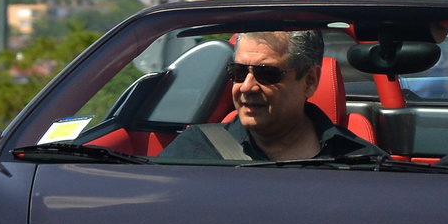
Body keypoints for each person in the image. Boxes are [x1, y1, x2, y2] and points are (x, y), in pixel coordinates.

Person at [157, 30, 382, 162]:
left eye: (267, 74)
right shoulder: (194, 151)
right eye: (238, 72)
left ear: (310, 81)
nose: (246, 87)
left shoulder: (360, 162)